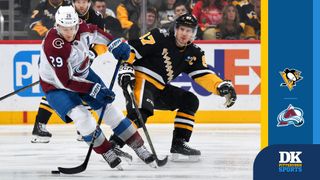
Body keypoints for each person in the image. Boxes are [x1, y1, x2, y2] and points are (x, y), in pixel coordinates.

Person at [38, 5, 156, 169]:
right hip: (56, 86)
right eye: (64, 29)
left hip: (83, 74)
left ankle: (139, 146)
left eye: (72, 27)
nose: (69, 33)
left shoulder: (82, 27)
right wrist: (94, 89)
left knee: (109, 110)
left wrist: (114, 43)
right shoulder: (54, 45)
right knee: (82, 117)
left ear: (77, 24)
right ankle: (106, 151)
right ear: (57, 26)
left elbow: (97, 32)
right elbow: (66, 82)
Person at [110, 13, 237, 161]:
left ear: (194, 33)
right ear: (176, 29)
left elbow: (203, 74)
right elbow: (132, 49)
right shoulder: (159, 36)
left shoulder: (193, 53)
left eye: (189, 31)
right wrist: (126, 67)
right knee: (140, 114)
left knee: (190, 101)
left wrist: (219, 85)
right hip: (141, 79)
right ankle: (113, 144)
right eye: (182, 29)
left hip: (160, 87)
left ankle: (179, 143)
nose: (185, 33)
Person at [31, 0, 104, 143]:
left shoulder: (96, 16)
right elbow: (58, 40)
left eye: (84, 1)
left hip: (81, 59)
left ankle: (83, 130)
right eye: (78, 1)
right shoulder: (66, 13)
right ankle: (39, 127)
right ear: (73, 2)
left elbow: (100, 40)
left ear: (89, 2)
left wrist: (93, 53)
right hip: (58, 58)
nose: (81, 5)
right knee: (56, 88)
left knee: (83, 88)